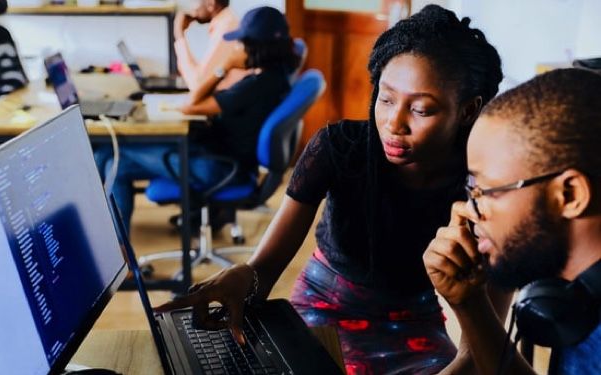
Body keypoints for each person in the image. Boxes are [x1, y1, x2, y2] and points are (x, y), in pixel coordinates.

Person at [156, 5, 506, 374]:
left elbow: (479, 352)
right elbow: (265, 269)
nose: (393, 123)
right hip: (322, 306)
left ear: (468, 111)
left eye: (420, 110)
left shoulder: (486, 189)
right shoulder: (338, 149)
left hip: (413, 323)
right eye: (385, 99)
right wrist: (246, 277)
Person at [423, 68, 601, 374]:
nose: (469, 209)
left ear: (569, 195)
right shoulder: (575, 296)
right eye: (470, 189)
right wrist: (469, 302)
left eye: (486, 190)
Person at [100, 6, 300, 236]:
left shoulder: (255, 86)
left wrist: (222, 67)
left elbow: (191, 104)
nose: (236, 48)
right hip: (225, 160)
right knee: (108, 158)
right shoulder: (277, 77)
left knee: (113, 160)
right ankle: (117, 248)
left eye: (240, 43)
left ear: (255, 47)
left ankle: (119, 253)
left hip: (218, 168)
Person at [174, 0, 247, 91]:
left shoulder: (225, 29)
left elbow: (198, 85)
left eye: (195, 2)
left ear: (211, 4)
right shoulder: (225, 23)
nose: (192, 9)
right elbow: (202, 75)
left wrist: (179, 34)